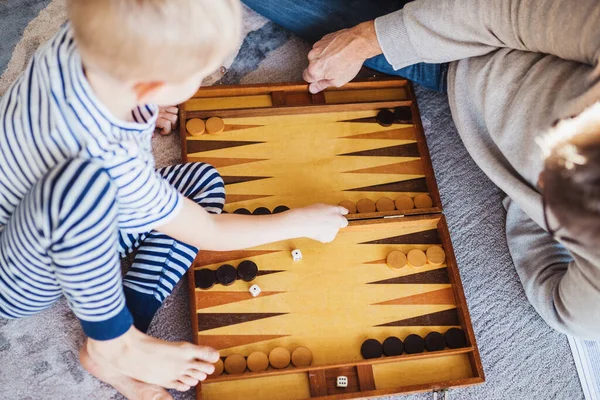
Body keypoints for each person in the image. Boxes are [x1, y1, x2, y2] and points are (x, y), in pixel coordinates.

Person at [0, 0, 348, 399]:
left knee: (200, 182)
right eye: (201, 74)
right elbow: (207, 229)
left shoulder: (84, 43)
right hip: (15, 275)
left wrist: (148, 107)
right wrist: (298, 222)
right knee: (82, 183)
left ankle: (119, 338)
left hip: (49, 207)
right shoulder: (111, 160)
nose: (205, 78)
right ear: (150, 84)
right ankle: (116, 344)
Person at [242, 0, 600, 339]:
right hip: (475, 29)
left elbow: (561, 307)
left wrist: (522, 195)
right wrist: (367, 38)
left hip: (443, 70)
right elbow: (507, 11)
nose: (538, 182)